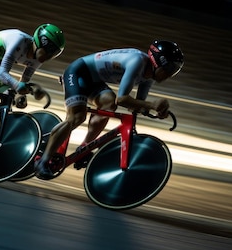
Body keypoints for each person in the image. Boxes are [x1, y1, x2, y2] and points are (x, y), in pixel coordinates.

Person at [34, 40, 184, 179]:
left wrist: (155, 110)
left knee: (109, 104)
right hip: (77, 72)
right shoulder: (137, 61)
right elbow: (123, 99)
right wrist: (152, 105)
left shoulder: (149, 76)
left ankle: (83, 149)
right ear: (159, 60)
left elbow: (137, 104)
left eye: (175, 71)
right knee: (77, 117)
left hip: (94, 80)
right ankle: (42, 162)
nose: (170, 74)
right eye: (170, 68)